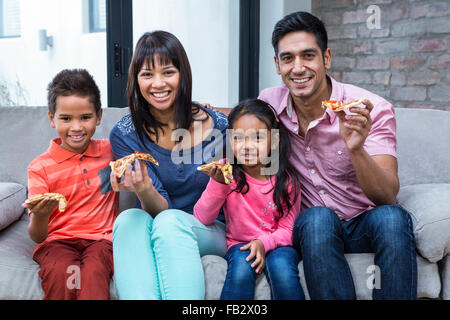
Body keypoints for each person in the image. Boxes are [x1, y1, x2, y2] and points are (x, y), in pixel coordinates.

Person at [258, 11, 417, 299]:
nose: (298, 68)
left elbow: (387, 196)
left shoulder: (371, 109)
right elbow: (236, 120)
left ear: (326, 58)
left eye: (308, 56)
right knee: (319, 217)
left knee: (392, 218)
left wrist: (356, 148)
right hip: (314, 228)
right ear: (277, 65)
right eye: (288, 58)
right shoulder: (269, 104)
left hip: (364, 221)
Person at [109, 30, 229, 299]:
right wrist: (143, 188)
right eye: (147, 74)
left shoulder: (220, 126)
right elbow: (158, 208)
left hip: (211, 229)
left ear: (182, 74)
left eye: (168, 72)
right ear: (136, 80)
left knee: (171, 222)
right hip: (163, 221)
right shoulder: (125, 134)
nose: (158, 83)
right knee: (129, 219)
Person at [194, 99, 304, 300]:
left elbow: (289, 231)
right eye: (238, 138)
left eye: (258, 138)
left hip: (278, 246)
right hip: (240, 244)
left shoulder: (287, 181)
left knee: (282, 269)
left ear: (275, 140)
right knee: (240, 272)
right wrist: (219, 184)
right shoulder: (226, 171)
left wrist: (263, 243)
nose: (247, 146)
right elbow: (202, 217)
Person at [23, 69, 119, 300]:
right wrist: (41, 216)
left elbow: (146, 135)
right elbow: (37, 236)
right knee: (59, 271)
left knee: (93, 273)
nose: (76, 128)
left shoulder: (111, 150)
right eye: (66, 119)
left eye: (85, 117)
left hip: (101, 241)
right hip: (57, 242)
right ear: (52, 119)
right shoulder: (39, 167)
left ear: (98, 116)